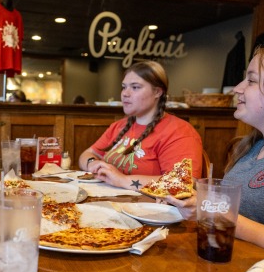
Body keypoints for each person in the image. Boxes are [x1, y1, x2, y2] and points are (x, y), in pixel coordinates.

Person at [166, 44, 264, 257]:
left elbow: (229, 216)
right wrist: (192, 197)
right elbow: (229, 207)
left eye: (251, 80)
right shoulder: (252, 147)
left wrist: (217, 214)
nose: (237, 88)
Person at [79, 60, 203, 189]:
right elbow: (86, 154)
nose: (125, 93)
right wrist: (91, 163)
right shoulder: (119, 126)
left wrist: (123, 180)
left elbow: (184, 182)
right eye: (124, 87)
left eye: (135, 87)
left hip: (150, 207)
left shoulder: (179, 131)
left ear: (157, 92)